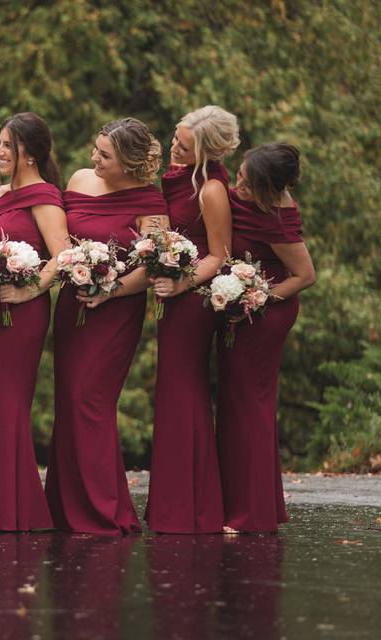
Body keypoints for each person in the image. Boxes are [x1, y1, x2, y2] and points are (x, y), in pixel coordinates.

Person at [45, 118, 169, 535]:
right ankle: (66, 511)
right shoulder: (80, 180)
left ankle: (101, 512)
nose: (93, 159)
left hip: (116, 311)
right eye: (95, 149)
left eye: (105, 155)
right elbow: (57, 238)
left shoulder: (150, 201)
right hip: (72, 307)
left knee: (91, 403)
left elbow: (154, 265)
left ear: (130, 162)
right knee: (69, 401)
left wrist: (110, 290)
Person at [0, 112, 69, 531]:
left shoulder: (45, 197)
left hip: (20, 313)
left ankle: (12, 508)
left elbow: (62, 254)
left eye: (8, 145)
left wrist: (30, 290)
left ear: (30, 152)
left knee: (7, 403)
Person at [146, 105, 238, 534]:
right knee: (172, 393)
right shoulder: (179, 178)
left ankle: (189, 509)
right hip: (175, 294)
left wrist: (180, 283)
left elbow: (220, 254)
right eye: (174, 139)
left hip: (195, 299)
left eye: (181, 146)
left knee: (183, 394)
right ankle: (177, 506)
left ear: (203, 153)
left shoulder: (211, 191)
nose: (172, 147)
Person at [217, 143, 315, 533]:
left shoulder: (276, 221)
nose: (236, 184)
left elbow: (305, 277)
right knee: (238, 405)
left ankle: (250, 515)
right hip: (246, 311)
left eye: (245, 182)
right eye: (238, 175)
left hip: (265, 314)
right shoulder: (252, 199)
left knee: (250, 408)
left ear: (267, 190)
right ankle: (253, 504)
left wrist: (258, 296)